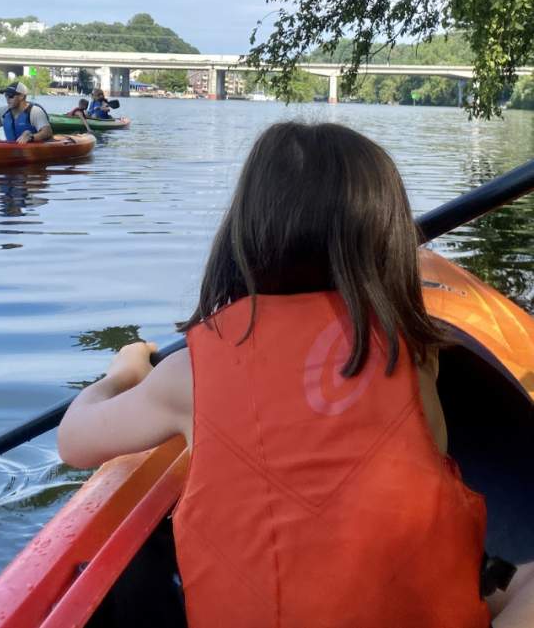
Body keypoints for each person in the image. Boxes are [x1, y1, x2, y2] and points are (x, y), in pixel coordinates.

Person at [58, 122, 534, 628]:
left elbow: (74, 442)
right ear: (390, 240)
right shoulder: (415, 355)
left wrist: (123, 372)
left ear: (243, 234)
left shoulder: (186, 374)